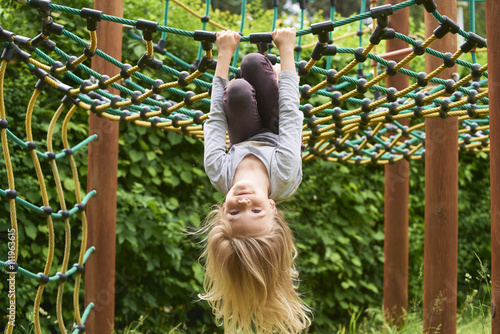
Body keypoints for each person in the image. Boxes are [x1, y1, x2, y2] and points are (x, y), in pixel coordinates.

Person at [200, 27, 311, 333]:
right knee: (251, 62)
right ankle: (272, 73)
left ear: (223, 210)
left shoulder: (219, 172)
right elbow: (291, 114)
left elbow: (215, 120)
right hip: (279, 129)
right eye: (257, 211)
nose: (244, 202)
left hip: (242, 132)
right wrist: (288, 51)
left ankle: (260, 77)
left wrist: (222, 56)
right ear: (273, 207)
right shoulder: (285, 175)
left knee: (235, 91)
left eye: (235, 213)